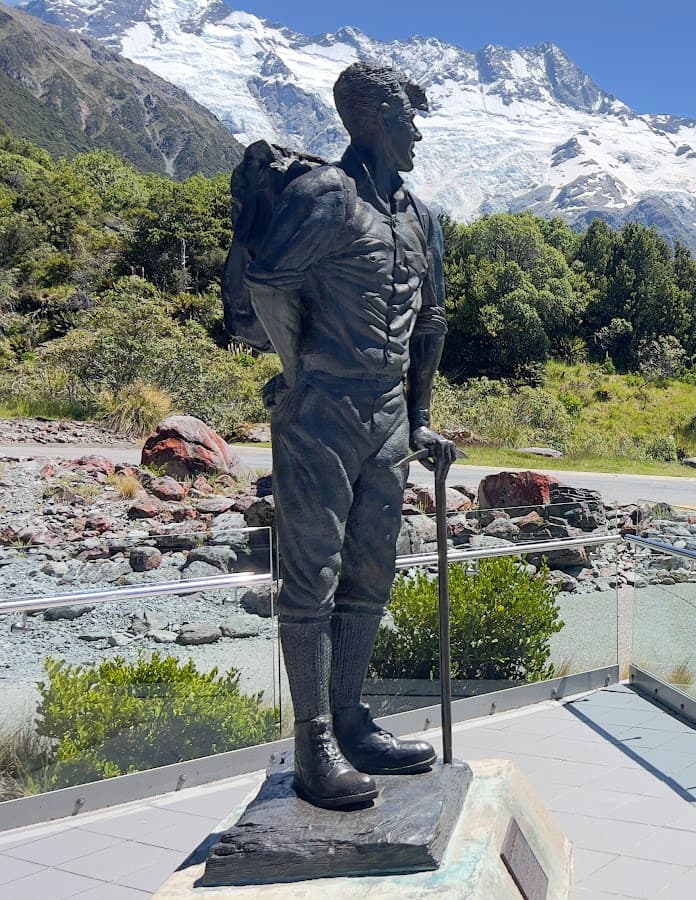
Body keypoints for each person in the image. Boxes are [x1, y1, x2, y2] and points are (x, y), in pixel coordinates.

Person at [244, 61, 460, 809]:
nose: (419, 133)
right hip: (323, 410)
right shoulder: (325, 197)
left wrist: (423, 418)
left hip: (389, 418)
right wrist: (298, 370)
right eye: (408, 118)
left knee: (371, 575)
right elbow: (269, 282)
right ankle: (314, 744)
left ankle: (352, 717)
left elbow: (429, 321)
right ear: (370, 118)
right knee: (312, 577)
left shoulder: (420, 215)